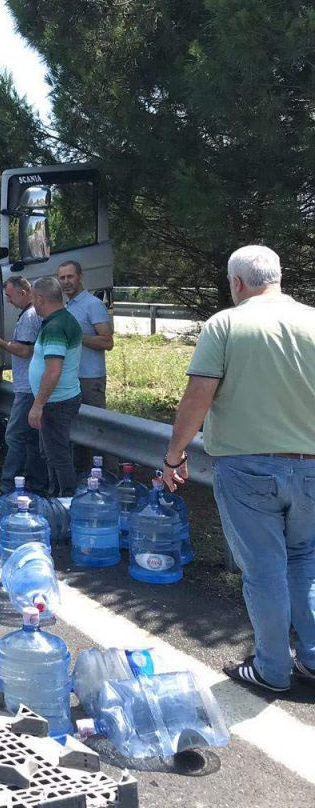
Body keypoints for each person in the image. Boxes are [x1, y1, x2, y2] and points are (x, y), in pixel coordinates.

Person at [163, 245, 315, 693]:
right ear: (280, 276)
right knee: (305, 564)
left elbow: (199, 396)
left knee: (264, 571)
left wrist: (175, 455)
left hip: (248, 468)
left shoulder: (226, 324)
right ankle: (311, 658)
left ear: (236, 283)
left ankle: (272, 670)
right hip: (312, 468)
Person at [0, 275, 47, 495]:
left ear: (23, 292)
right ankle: (34, 482)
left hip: (27, 387)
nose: (8, 301)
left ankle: (8, 486)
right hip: (28, 385)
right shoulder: (30, 314)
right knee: (30, 438)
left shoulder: (29, 316)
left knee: (14, 436)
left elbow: (25, 350)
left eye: (9, 296)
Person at [26, 275, 83, 497]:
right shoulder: (63, 319)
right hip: (58, 399)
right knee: (50, 452)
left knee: (57, 455)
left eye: (33, 300)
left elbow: (53, 370)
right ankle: (56, 496)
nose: (33, 305)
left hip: (56, 402)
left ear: (40, 299)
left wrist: (38, 405)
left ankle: (66, 502)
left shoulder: (56, 327)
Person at [57, 260, 113, 408]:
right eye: (62, 278)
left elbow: (108, 342)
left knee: (93, 427)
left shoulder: (93, 304)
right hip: (70, 378)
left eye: (70, 276)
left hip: (90, 379)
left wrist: (77, 336)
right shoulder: (67, 306)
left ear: (80, 277)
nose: (66, 282)